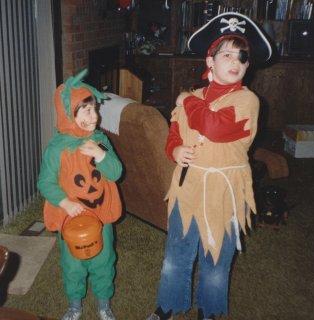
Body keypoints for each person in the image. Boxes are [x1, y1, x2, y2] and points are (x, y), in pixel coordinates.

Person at [147, 12, 272, 320]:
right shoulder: (195, 97)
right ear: (210, 61)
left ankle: (210, 311)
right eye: (226, 54)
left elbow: (214, 126)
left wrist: (186, 98)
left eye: (241, 57)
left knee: (216, 258)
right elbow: (174, 134)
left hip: (224, 192)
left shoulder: (247, 100)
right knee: (176, 253)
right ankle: (169, 306)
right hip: (187, 188)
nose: (235, 61)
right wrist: (175, 150)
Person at [38, 69, 122, 320]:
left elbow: (116, 173)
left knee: (103, 260)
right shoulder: (56, 150)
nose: (95, 116)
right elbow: (45, 182)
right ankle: (74, 305)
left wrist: (102, 156)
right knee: (73, 264)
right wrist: (64, 203)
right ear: (68, 114)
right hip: (71, 219)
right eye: (86, 111)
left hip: (100, 214)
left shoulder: (100, 141)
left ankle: (104, 303)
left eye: (95, 109)